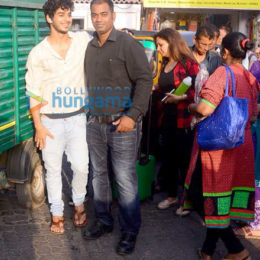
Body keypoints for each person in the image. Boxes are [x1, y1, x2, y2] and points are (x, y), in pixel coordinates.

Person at [82, 0, 152, 255]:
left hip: (123, 124)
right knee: (99, 176)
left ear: (113, 15)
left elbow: (144, 80)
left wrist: (133, 115)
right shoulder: (89, 46)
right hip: (95, 124)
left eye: (103, 14)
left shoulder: (126, 43)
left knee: (124, 179)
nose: (98, 19)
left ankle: (130, 230)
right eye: (94, 15)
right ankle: (103, 220)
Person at [184, 32, 260, 260]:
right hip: (242, 145)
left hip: (219, 148)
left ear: (224, 51)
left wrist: (191, 108)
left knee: (203, 198)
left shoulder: (222, 73)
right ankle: (207, 251)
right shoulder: (250, 78)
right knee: (221, 202)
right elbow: (254, 115)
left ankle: (237, 250)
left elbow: (205, 108)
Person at [25, 0, 90, 235]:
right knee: (52, 169)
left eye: (68, 14)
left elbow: (105, 42)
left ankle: (79, 203)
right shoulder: (38, 53)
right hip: (50, 120)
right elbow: (33, 92)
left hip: (77, 117)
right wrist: (38, 126)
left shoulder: (82, 41)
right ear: (49, 18)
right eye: (61, 14)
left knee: (81, 166)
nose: (66, 19)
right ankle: (57, 213)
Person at [154, 28, 199, 215]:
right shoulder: (165, 62)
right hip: (167, 118)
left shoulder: (188, 64)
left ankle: (187, 201)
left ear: (172, 43)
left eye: (161, 45)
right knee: (169, 158)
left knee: (185, 161)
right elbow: (163, 86)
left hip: (184, 120)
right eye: (157, 45)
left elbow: (199, 90)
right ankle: (172, 196)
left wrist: (180, 98)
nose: (158, 49)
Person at [234, 36, 260, 240]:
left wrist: (245, 107)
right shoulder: (259, 69)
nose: (258, 50)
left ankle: (256, 226)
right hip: (259, 131)